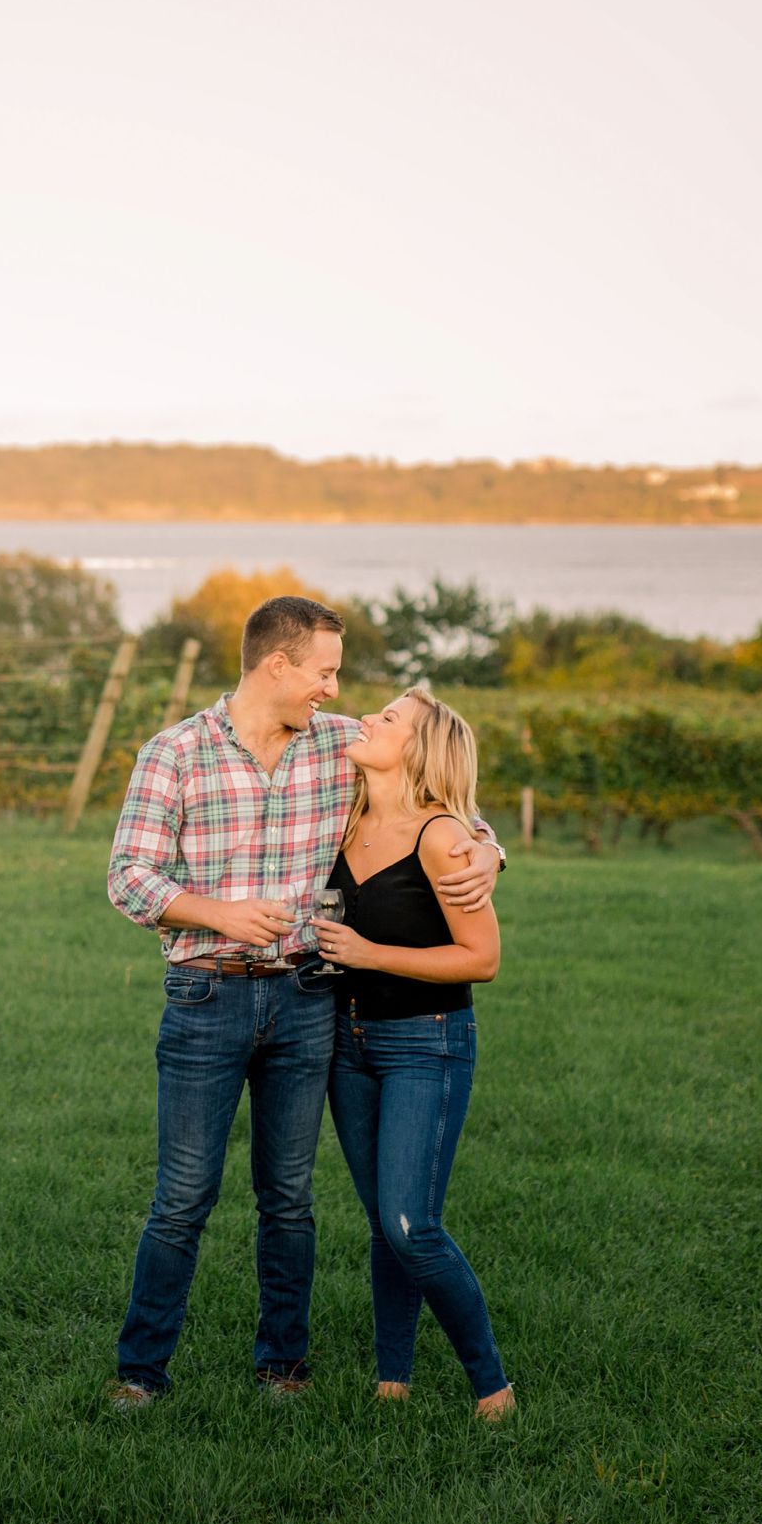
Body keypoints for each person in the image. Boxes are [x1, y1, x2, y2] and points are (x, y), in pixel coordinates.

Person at [102, 595, 501, 1406]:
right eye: (323, 671)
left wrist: (489, 848)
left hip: (308, 999)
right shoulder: (174, 752)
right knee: (182, 1196)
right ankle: (140, 1373)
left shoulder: (333, 743)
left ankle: (281, 1365)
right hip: (204, 993)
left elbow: (435, 783)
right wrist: (219, 913)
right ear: (276, 664)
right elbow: (127, 877)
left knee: (288, 1197)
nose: (333, 688)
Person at [313, 685, 514, 1419]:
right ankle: (390, 1378)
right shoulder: (342, 815)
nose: (367, 717)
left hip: (424, 1042)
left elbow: (481, 958)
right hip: (346, 1041)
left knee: (410, 1224)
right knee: (380, 1221)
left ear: (419, 749)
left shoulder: (441, 837)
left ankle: (491, 1386)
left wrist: (369, 951)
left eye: (388, 717)